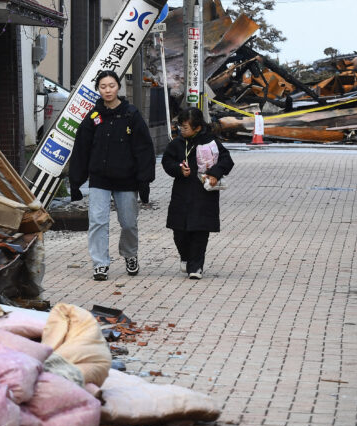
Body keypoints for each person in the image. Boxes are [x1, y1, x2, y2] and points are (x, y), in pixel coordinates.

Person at [69, 70, 156, 281]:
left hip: (127, 180)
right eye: (103, 87)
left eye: (111, 86)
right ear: (98, 89)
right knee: (98, 221)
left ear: (118, 87)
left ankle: (130, 254)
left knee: (128, 223)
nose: (107, 90)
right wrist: (76, 181)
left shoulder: (131, 114)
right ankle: (100, 263)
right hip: (99, 179)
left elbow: (144, 149)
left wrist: (144, 181)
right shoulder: (93, 117)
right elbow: (81, 149)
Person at [161, 107, 235, 279]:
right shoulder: (177, 143)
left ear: (198, 128)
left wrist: (215, 173)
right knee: (179, 231)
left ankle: (196, 267)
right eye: (180, 127)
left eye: (185, 127)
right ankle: (185, 257)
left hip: (204, 195)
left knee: (200, 232)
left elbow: (227, 160)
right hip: (182, 193)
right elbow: (167, 161)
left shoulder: (211, 142)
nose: (181, 130)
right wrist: (178, 169)